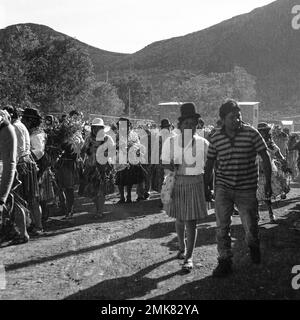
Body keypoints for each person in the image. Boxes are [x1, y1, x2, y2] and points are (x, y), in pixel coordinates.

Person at [204, 99, 272, 278]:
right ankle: (224, 260)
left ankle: (253, 245)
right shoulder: (216, 137)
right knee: (221, 227)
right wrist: (206, 186)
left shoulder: (251, 133)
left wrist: (268, 183)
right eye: (232, 117)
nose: (237, 120)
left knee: (250, 226)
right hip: (223, 188)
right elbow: (210, 163)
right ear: (223, 119)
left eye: (239, 116)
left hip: (246, 189)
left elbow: (265, 157)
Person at [161, 103, 209, 272]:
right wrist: (171, 165)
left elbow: (209, 167)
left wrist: (210, 187)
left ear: (197, 126)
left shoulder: (204, 143)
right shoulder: (171, 142)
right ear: (180, 125)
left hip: (196, 183)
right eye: (187, 124)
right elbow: (164, 162)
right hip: (178, 182)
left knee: (191, 221)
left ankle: (189, 257)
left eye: (193, 124)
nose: (190, 127)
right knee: (180, 218)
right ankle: (181, 247)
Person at [80, 118, 115, 219]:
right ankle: (98, 209)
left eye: (99, 128)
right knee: (92, 191)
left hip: (103, 167)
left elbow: (112, 152)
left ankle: (99, 212)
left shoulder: (107, 139)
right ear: (92, 129)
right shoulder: (88, 139)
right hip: (90, 167)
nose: (96, 130)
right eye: (94, 128)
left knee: (101, 190)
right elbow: (83, 151)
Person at [257, 122, 290, 223]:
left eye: (263, 131)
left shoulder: (271, 145)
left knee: (267, 195)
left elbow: (280, 156)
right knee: (255, 195)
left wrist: (284, 163)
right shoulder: (254, 144)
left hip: (268, 173)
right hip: (256, 172)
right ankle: (257, 215)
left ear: (267, 133)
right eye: (260, 131)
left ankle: (270, 214)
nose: (261, 133)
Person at [21, 107, 45, 235]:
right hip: (28, 166)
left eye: (25, 118)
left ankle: (39, 226)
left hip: (33, 168)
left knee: (33, 199)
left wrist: (25, 156)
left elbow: (39, 152)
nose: (22, 120)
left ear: (31, 120)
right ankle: (30, 223)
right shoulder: (30, 132)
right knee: (27, 198)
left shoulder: (37, 134)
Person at [0, 110, 17, 237]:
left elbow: (10, 162)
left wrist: (2, 196)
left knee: (14, 202)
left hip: (5, 174)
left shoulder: (6, 129)